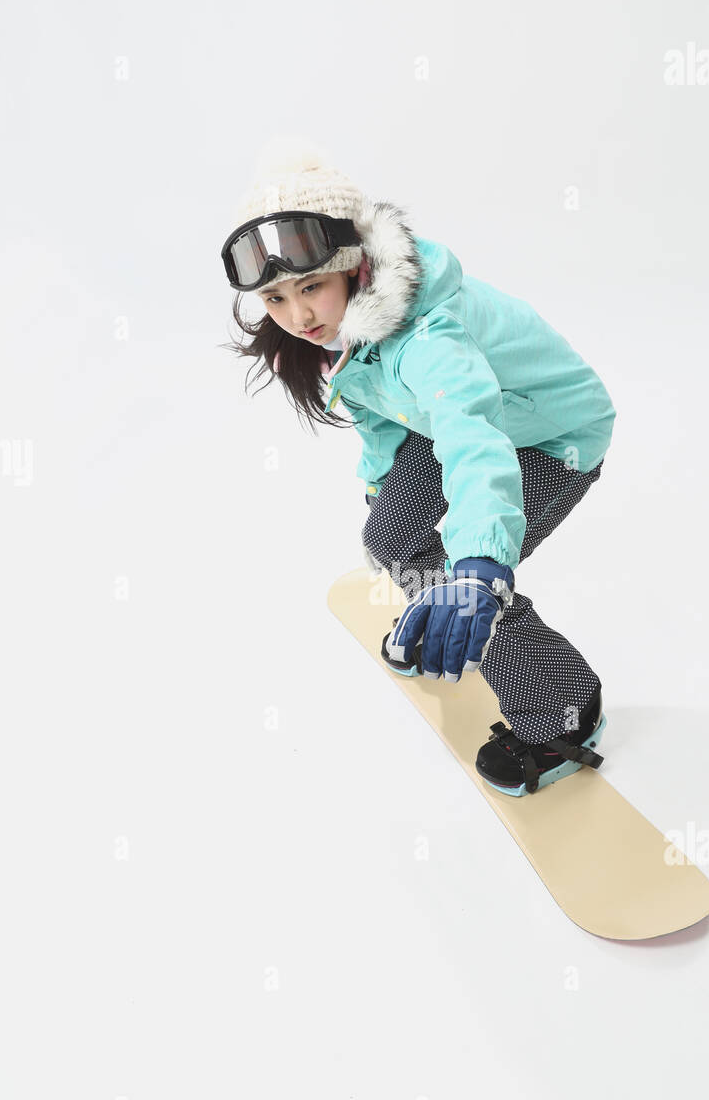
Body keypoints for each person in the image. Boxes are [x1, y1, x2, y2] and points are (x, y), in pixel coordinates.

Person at [221, 136, 616, 797]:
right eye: (276, 301)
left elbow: (474, 438)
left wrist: (480, 569)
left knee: (473, 588)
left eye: (311, 288)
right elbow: (378, 404)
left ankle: (563, 706)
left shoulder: (430, 341)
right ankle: (437, 615)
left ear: (350, 265)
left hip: (549, 436)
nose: (299, 318)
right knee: (391, 539)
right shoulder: (352, 317)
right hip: (448, 424)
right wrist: (384, 483)